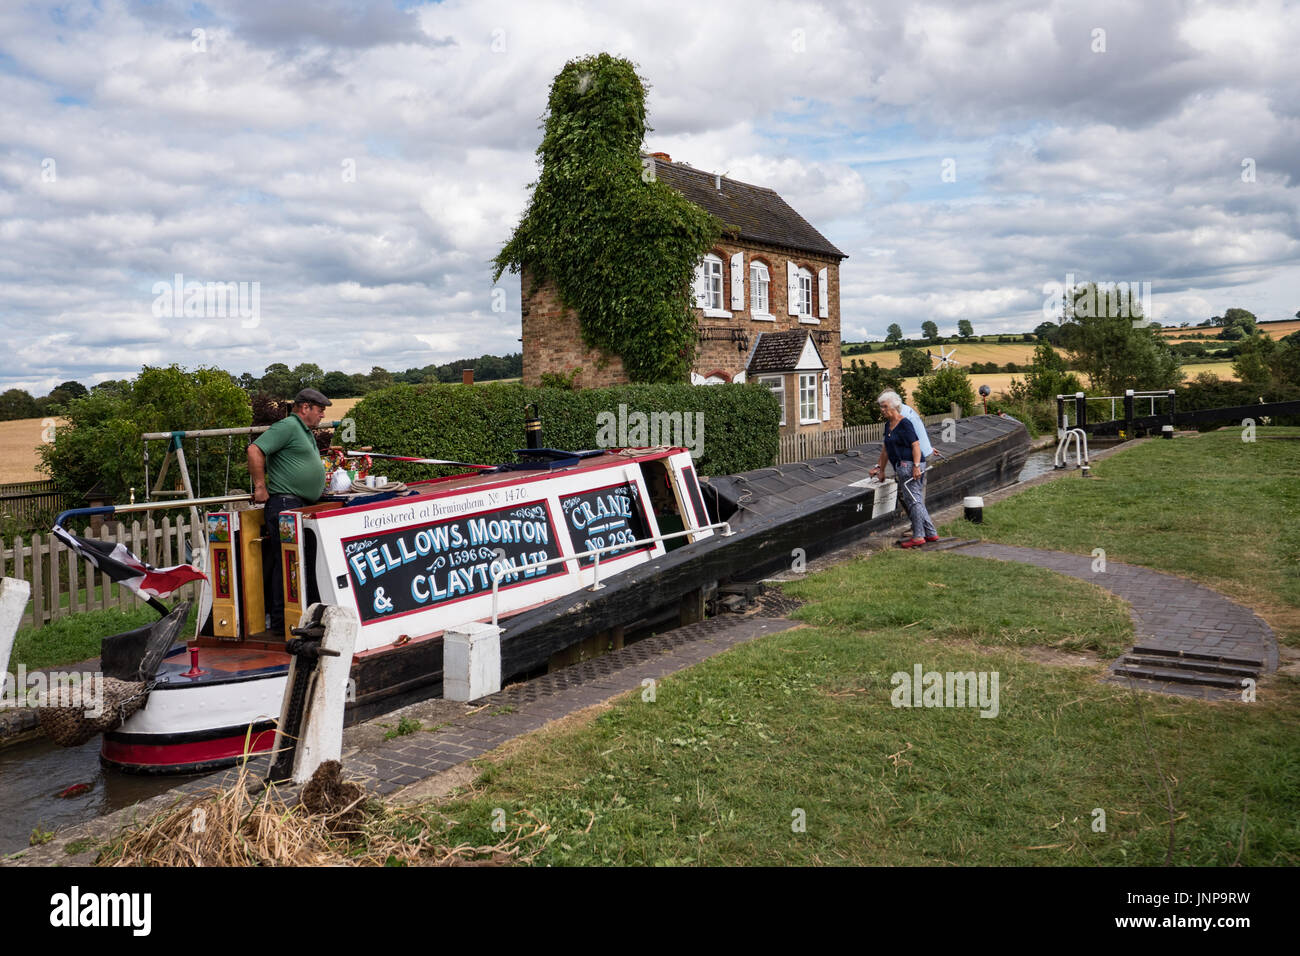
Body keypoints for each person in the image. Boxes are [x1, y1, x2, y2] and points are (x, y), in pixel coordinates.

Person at [247, 388, 330, 634]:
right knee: (288, 564)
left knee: (293, 563)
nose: (323, 415)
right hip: (285, 504)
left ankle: (293, 618)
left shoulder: (303, 431)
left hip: (297, 503)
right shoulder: (288, 426)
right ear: (305, 408)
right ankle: (282, 622)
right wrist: (260, 486)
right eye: (320, 410)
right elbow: (255, 449)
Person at [869, 389, 938, 549]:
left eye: (884, 406)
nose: (882, 410)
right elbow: (886, 449)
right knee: (915, 500)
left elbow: (916, 445)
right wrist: (881, 469)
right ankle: (931, 532)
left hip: (910, 465)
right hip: (901, 466)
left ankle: (919, 536)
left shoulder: (905, 422)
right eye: (881, 406)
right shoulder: (888, 425)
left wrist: (915, 467)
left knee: (914, 501)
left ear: (893, 406)